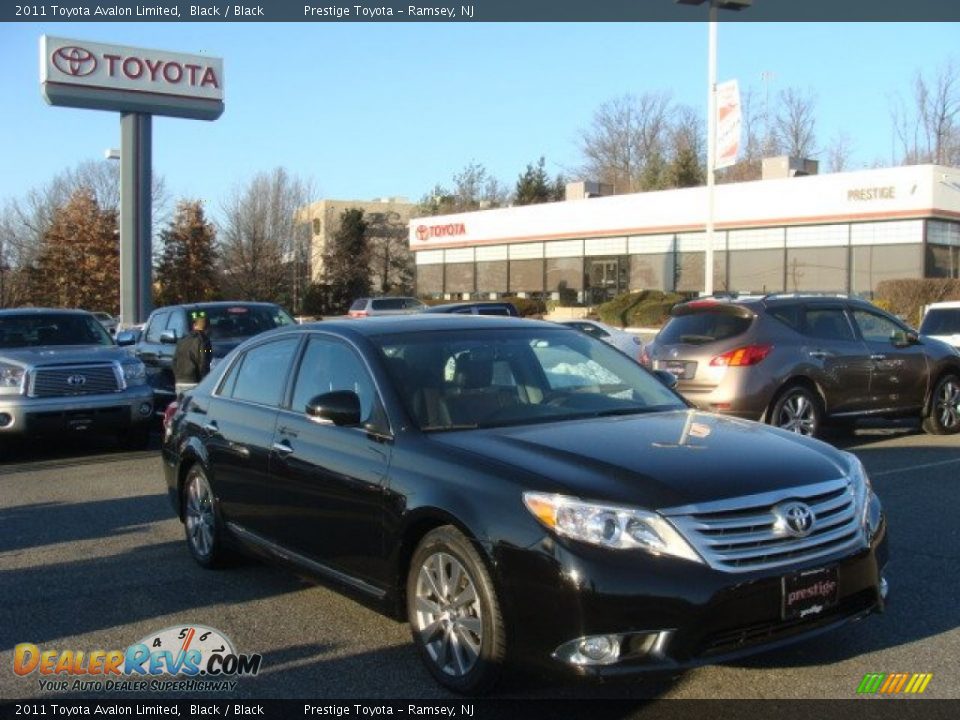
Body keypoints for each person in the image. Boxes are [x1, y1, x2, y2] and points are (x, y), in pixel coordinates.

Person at [173, 310, 212, 396]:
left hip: (180, 381)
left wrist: (177, 377)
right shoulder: (204, 342)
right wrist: (205, 380)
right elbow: (204, 361)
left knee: (181, 407)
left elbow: (174, 361)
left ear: (194, 326)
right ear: (207, 329)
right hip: (195, 382)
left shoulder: (182, 341)